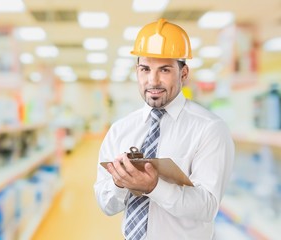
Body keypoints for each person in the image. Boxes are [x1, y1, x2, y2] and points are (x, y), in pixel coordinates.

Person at [94, 18, 235, 240]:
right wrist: (119, 182)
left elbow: (207, 207)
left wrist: (154, 187)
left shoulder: (210, 129)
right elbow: (106, 206)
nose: (153, 80)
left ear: (184, 73)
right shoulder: (120, 129)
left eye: (165, 70)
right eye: (145, 69)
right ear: (137, 71)